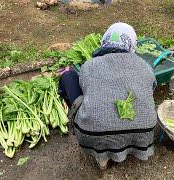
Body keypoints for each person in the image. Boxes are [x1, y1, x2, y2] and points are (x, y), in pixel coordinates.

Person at [58, 22, 157, 169]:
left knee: (68, 76)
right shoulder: (145, 66)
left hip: (91, 134)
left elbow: (86, 89)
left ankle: (102, 157)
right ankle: (129, 145)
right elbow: (151, 89)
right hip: (145, 132)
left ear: (105, 41)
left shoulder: (89, 65)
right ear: (131, 44)